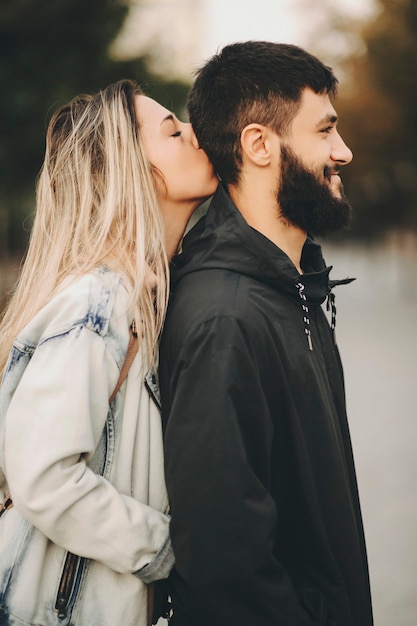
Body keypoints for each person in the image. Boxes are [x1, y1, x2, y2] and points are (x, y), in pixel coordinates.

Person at [159, 42, 374, 626]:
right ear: (259, 145)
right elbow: (226, 567)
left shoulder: (288, 284)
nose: (343, 151)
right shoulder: (224, 319)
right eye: (325, 130)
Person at [0, 79, 218, 626]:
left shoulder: (146, 297)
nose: (197, 134)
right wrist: (170, 551)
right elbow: (46, 476)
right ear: (137, 171)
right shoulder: (98, 303)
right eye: (173, 130)